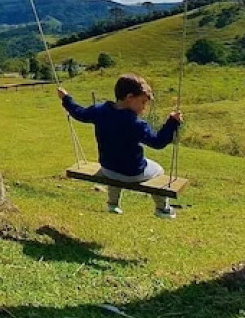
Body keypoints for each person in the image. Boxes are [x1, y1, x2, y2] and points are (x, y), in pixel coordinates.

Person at [59, 73, 182, 219]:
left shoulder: (99, 111)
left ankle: (112, 203)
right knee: (158, 169)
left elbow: (79, 113)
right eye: (142, 102)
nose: (144, 108)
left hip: (108, 169)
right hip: (133, 173)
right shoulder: (135, 124)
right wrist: (172, 123)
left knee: (115, 166)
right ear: (130, 98)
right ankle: (162, 209)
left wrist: (66, 98)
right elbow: (158, 142)